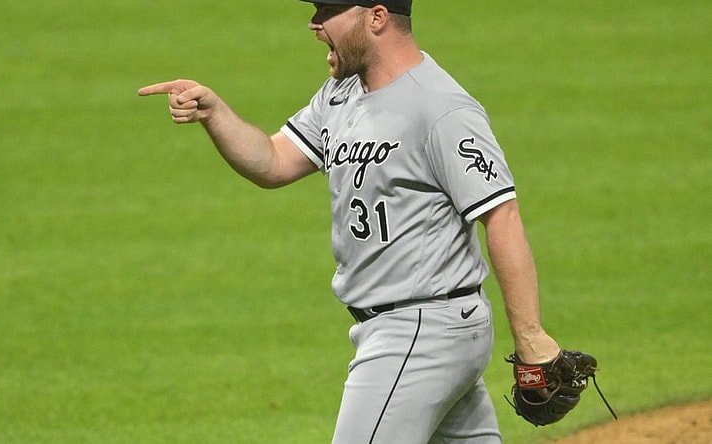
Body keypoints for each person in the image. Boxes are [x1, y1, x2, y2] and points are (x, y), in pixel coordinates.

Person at [139, 1, 562, 442]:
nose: (315, 23)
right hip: (415, 328)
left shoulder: (442, 109)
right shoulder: (340, 94)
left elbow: (502, 216)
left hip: (421, 330)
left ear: (376, 18)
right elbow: (273, 161)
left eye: (329, 10)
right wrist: (215, 113)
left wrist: (529, 335)